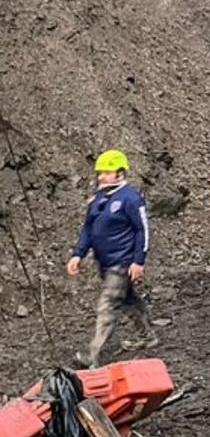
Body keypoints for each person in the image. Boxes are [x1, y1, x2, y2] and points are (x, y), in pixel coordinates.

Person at [68, 150, 156, 369]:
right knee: (128, 301)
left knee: (107, 305)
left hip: (122, 262)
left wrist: (138, 260)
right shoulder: (98, 199)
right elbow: (88, 229)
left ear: (119, 174)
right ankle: (147, 335)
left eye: (106, 173)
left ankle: (92, 354)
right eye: (100, 173)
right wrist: (78, 253)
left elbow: (141, 230)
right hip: (104, 263)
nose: (101, 177)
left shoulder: (131, 198)